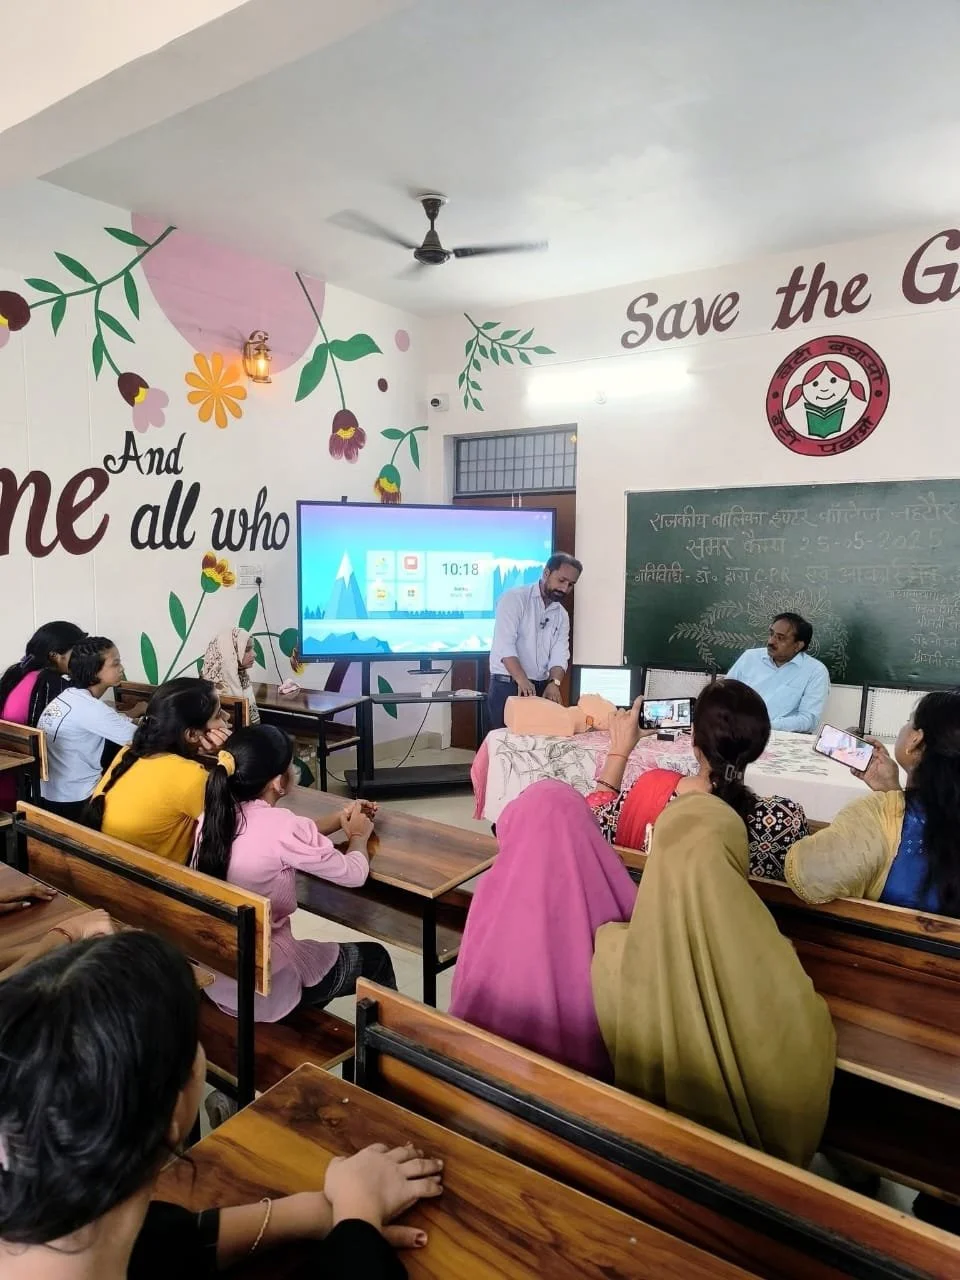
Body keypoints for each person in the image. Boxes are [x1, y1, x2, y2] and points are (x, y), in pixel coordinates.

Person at [0, 930, 442, 1279]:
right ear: (173, 1114)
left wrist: (313, 1212)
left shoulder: (77, 1224)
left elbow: (155, 1248)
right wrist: (358, 1219)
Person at [592, 793, 836, 1166]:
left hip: (647, 1157)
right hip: (762, 1177)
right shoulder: (773, 957)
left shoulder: (611, 956)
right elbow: (810, 1039)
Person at [192, 724, 396, 1023]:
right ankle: (387, 1061)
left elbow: (281, 838)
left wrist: (339, 820)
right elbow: (354, 874)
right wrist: (359, 837)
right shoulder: (282, 826)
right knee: (376, 959)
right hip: (268, 983)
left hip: (221, 976)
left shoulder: (211, 817)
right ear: (278, 781)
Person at [450, 780, 636, 1078]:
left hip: (478, 1071)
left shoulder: (492, 890)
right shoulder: (615, 891)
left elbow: (464, 981)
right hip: (584, 1090)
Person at [588, 681, 807, 880]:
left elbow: (592, 825)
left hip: (652, 922)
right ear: (759, 751)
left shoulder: (646, 795)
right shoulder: (786, 821)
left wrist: (619, 749)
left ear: (694, 739)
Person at [785, 689, 960, 914]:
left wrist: (887, 802)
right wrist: (892, 792)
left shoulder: (876, 815)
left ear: (916, 741)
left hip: (883, 947)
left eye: (909, 722)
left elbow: (807, 877)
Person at [84, 678, 229, 862]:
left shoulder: (129, 751)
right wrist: (228, 752)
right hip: (154, 885)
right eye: (218, 714)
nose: (227, 718)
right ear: (192, 734)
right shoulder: (190, 776)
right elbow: (238, 822)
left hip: (113, 871)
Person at [36, 637, 135, 820]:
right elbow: (139, 738)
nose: (122, 668)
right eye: (115, 664)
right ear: (94, 671)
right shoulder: (90, 708)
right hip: (78, 801)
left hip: (53, 796)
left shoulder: (68, 697)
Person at [486, 552, 582, 732]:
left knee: (537, 748)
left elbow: (560, 653)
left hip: (540, 687)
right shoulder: (514, 599)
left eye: (571, 585)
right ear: (546, 573)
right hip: (508, 685)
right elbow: (505, 645)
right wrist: (521, 679)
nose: (564, 588)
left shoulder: (561, 614)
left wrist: (555, 683)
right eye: (561, 580)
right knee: (506, 748)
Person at [0, 621, 86, 810]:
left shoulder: (19, 673)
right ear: (55, 655)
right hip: (24, 784)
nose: (83, 659)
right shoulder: (49, 683)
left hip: (13, 771)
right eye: (77, 652)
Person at [726, 612, 829, 733]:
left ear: (798, 645)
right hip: (738, 732)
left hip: (782, 739)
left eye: (780, 638)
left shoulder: (815, 671)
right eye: (771, 634)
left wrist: (765, 725)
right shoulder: (750, 657)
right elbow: (723, 695)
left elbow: (808, 720)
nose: (771, 641)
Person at [202, 627, 260, 725]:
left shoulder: (242, 678)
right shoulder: (211, 692)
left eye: (252, 649)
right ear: (229, 653)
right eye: (247, 650)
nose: (254, 654)